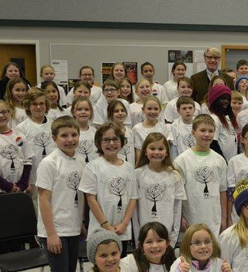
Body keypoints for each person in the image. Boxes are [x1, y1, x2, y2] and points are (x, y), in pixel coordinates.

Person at [37, 116, 86, 272]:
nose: (70, 139)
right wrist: (51, 234)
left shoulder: (80, 160)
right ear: (54, 138)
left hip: (73, 227)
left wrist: (82, 223)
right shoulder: (49, 163)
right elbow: (44, 200)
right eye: (64, 136)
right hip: (54, 230)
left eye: (74, 135)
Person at [79, 122, 137, 251]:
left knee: (120, 267)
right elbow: (91, 199)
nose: (111, 143)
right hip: (100, 228)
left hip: (122, 230)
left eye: (115, 139)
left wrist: (124, 223)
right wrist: (106, 226)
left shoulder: (129, 167)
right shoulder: (92, 167)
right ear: (99, 143)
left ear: (122, 142)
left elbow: (133, 198)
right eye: (106, 140)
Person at [174, 115, 228, 234]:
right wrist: (180, 216)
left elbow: (223, 191)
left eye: (210, 131)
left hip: (214, 218)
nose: (207, 134)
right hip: (191, 217)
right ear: (193, 132)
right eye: (202, 130)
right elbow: (178, 193)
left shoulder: (219, 160)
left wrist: (224, 217)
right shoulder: (181, 160)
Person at [134, 133, 185, 244]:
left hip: (167, 235)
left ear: (166, 152)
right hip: (144, 236)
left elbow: (177, 209)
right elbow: (134, 210)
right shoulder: (137, 174)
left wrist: (173, 238)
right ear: (145, 152)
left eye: (161, 149)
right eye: (152, 148)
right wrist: (138, 237)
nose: (156, 152)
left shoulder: (174, 176)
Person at [0, 100, 33, 196]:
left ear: (9, 113)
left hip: (20, 189)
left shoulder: (20, 136)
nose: (1, 115)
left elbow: (27, 160)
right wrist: (7, 186)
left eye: (4, 112)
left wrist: (22, 184)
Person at [17, 88, 55, 208]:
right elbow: (21, 155)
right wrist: (26, 180)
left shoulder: (54, 125)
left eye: (41, 103)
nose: (38, 107)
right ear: (28, 105)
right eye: (34, 104)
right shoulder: (21, 128)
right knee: (37, 207)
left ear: (46, 105)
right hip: (33, 176)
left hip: (54, 173)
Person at [205, 85, 238, 161]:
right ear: (214, 100)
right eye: (222, 99)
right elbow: (213, 144)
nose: (226, 101)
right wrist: (223, 162)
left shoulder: (228, 119)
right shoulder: (214, 119)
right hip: (221, 162)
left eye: (228, 99)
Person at [132, 97, 169, 162]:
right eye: (149, 108)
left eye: (156, 109)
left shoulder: (164, 127)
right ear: (143, 110)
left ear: (160, 110)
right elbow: (138, 154)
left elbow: (167, 150)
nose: (152, 111)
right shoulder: (137, 129)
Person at [72, 98, 98, 163]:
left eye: (86, 109)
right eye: (79, 109)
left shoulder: (96, 132)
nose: (83, 112)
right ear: (73, 112)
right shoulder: (70, 133)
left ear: (91, 112)